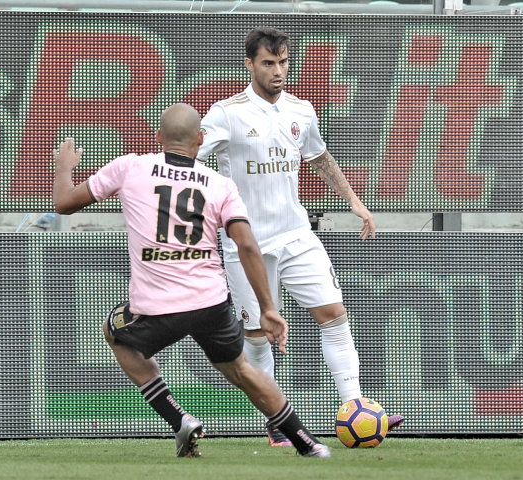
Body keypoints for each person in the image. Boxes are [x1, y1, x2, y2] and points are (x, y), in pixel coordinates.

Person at [52, 103, 330, 458]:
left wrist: (63, 167)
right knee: (242, 370)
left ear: (158, 138)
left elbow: (64, 203)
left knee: (113, 330)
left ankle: (178, 419)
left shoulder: (130, 167)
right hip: (210, 303)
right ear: (200, 139)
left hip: (158, 307)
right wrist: (268, 309)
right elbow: (247, 245)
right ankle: (309, 444)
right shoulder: (220, 184)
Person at [196, 27, 404, 447]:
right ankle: (275, 421)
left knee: (334, 314)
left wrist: (355, 201)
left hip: (295, 235)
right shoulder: (226, 113)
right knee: (257, 336)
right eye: (268, 63)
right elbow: (189, 159)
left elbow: (319, 156)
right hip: (246, 244)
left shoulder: (301, 110)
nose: (278, 71)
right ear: (249, 64)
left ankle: (355, 409)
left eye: (284, 62)